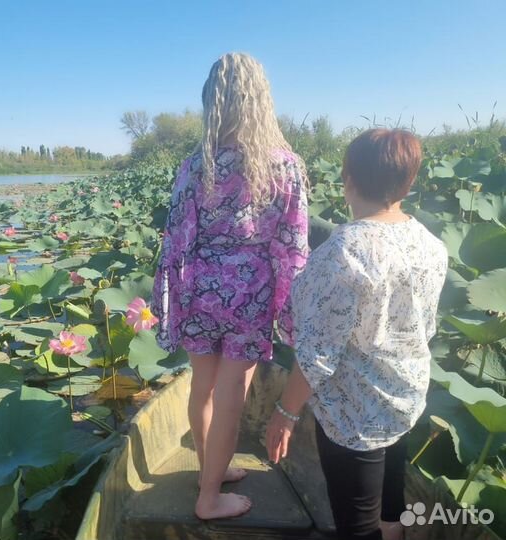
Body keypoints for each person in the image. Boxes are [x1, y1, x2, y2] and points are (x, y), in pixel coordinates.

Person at [265, 129, 448, 540]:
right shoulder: (432, 245)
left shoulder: (340, 253)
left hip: (354, 415)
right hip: (405, 399)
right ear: (409, 182)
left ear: (347, 178)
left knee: (358, 527)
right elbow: (427, 326)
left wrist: (285, 413)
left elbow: (316, 355)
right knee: (390, 511)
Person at [152, 52, 309, 520]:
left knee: (201, 387)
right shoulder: (284, 165)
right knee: (230, 398)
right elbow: (292, 245)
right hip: (250, 295)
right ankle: (208, 499)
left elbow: (176, 237)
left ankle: (210, 472)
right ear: (261, 101)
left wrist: (172, 299)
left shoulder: (194, 165)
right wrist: (288, 308)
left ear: (211, 103)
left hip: (200, 288)